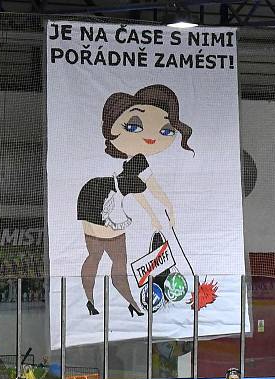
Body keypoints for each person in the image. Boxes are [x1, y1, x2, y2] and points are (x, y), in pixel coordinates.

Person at [77, 85, 193, 317]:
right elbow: (143, 191)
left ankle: (114, 301)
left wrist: (162, 212)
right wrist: (158, 213)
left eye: (166, 130)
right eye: (133, 126)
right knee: (108, 256)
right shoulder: (128, 163)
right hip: (101, 199)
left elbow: (146, 190)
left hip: (102, 196)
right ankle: (108, 301)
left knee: (108, 256)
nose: (150, 136)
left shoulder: (138, 161)